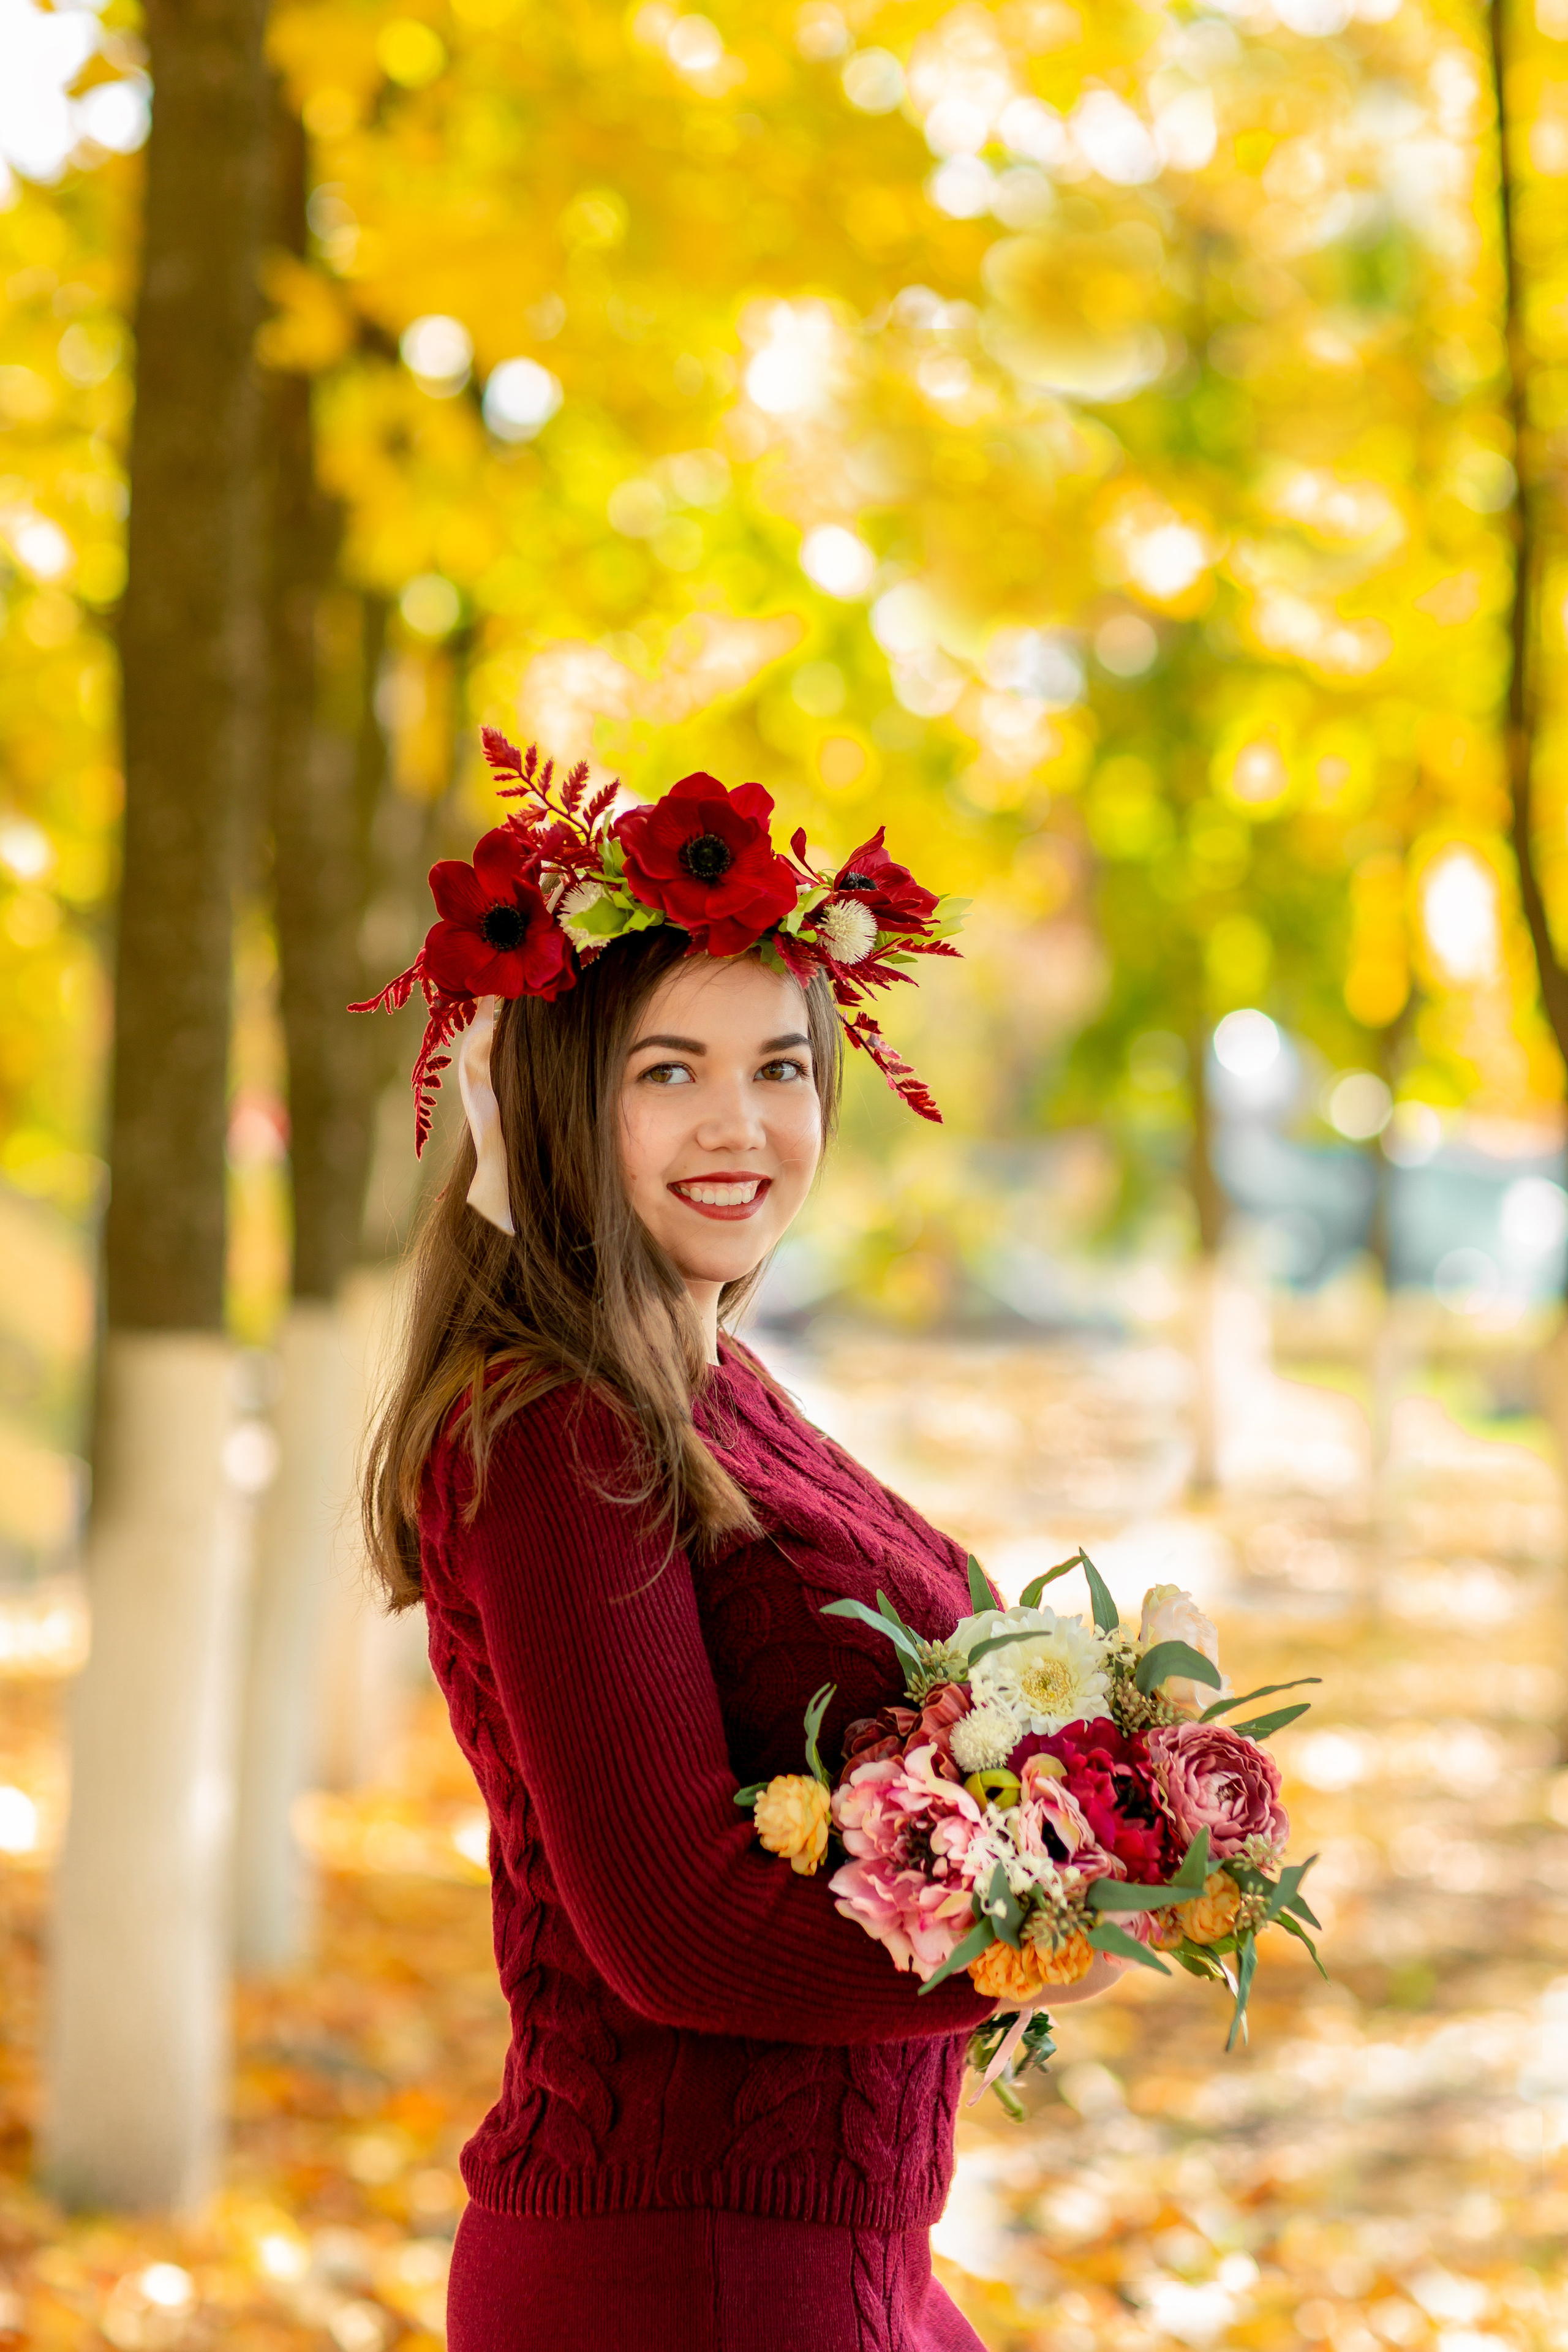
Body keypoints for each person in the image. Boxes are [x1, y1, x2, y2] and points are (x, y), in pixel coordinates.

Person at [356, 738, 1120, 2350]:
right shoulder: (556, 1431)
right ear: (563, 1100)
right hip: (681, 2273)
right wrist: (1029, 1945)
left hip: (838, 2265)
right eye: (667, 1072)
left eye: (781, 1066)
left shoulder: (719, 1385)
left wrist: (1105, 1806)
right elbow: (681, 1930)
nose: (742, 1125)